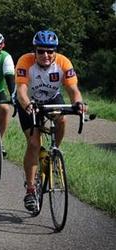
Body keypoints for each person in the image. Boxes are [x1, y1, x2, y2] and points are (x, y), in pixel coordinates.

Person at [15, 30, 85, 211]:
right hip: (28, 102)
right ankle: (30, 190)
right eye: (41, 51)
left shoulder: (63, 62)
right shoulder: (25, 61)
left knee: (62, 120)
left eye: (50, 51)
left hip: (52, 98)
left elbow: (72, 89)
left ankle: (54, 153)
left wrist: (78, 103)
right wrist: (27, 104)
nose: (46, 55)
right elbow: (21, 90)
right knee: (33, 143)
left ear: (55, 51)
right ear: (35, 51)